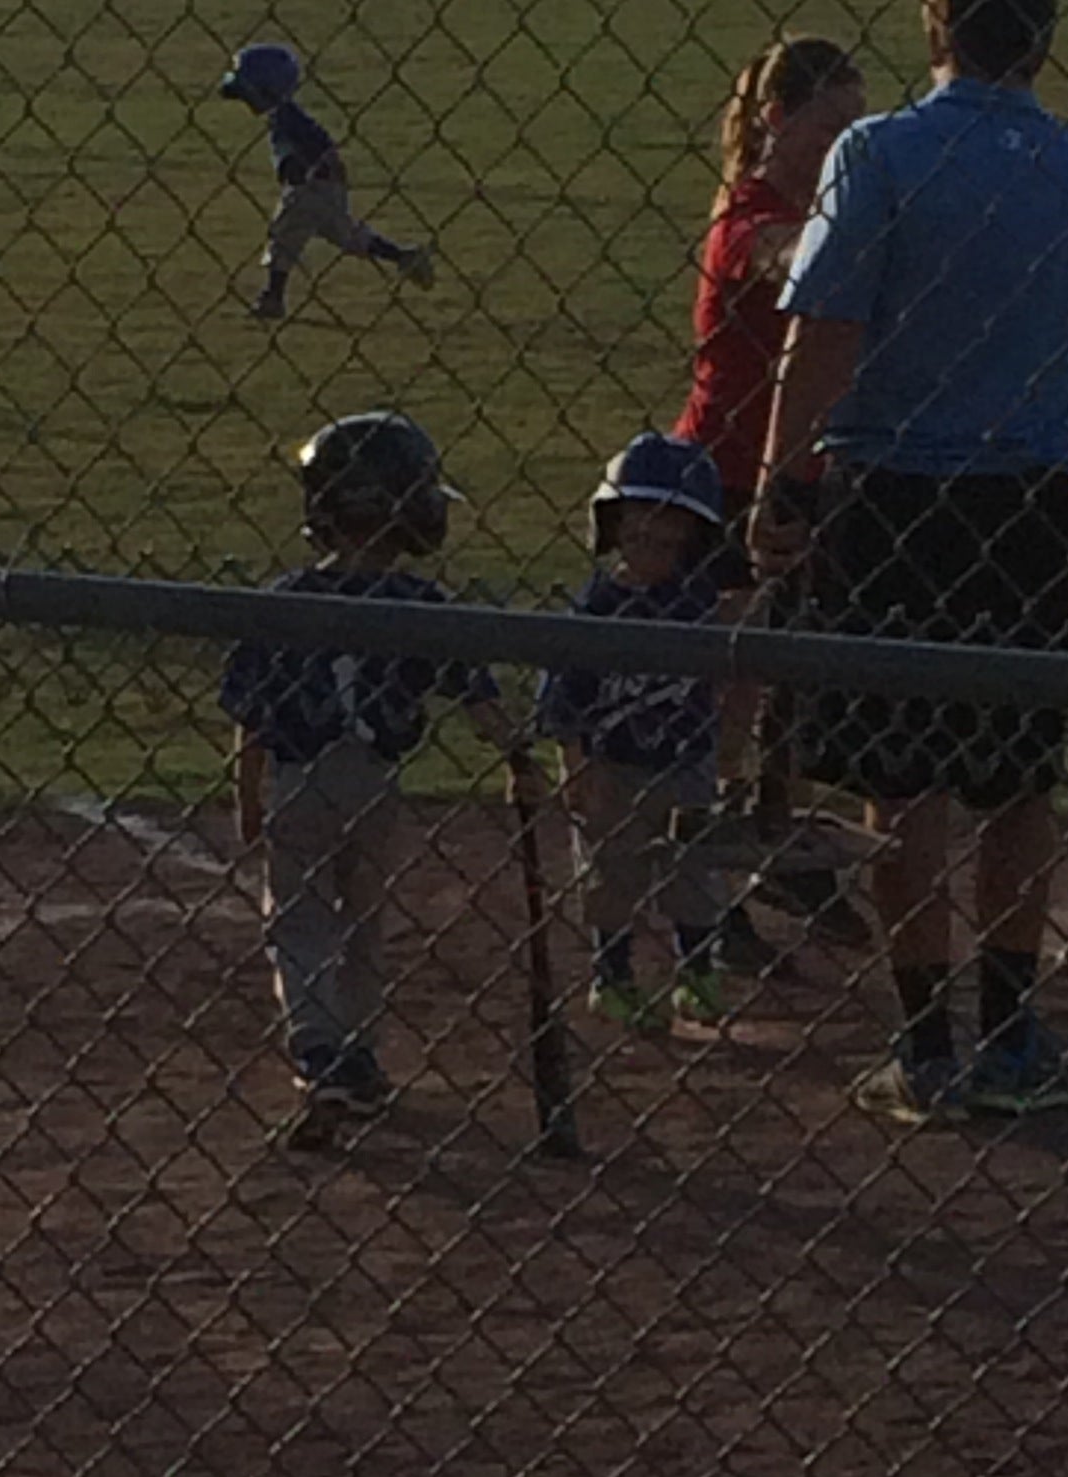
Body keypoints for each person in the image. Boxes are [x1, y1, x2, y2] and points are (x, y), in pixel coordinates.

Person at [750, 0, 1068, 1123]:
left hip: (893, 493)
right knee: (1017, 778)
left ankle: (925, 1046)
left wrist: (782, 485)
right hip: (1025, 495)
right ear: (1044, 38)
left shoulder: (879, 151)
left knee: (899, 777)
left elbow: (824, 328)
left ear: (937, 28)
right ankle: (1010, 1037)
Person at [221, 411, 532, 1141]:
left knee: (297, 918)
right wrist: (518, 754)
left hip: (299, 780)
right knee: (364, 921)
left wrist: (245, 794)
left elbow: (251, 718)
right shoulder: (420, 604)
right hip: (377, 786)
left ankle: (321, 1049)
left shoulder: (286, 598)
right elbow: (480, 701)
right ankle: (357, 1051)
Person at [673, 37, 871, 970]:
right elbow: (779, 259)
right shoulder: (750, 216)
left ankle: (770, 849)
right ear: (776, 122)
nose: (845, 143)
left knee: (783, 682)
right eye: (831, 124)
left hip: (801, 476)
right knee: (731, 689)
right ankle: (707, 900)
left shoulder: (820, 207)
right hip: (724, 479)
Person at [537, 432, 730, 1034]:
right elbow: (564, 697)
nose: (653, 538)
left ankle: (698, 974)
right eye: (640, 521)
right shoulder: (597, 605)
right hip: (613, 765)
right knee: (611, 877)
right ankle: (612, 978)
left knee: (696, 873)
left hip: (685, 762)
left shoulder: (698, 603)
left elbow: (728, 676)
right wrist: (574, 764)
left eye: (671, 526)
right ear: (614, 525)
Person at [220, 43, 434, 320]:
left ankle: (272, 298)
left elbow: (313, 149)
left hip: (309, 188)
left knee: (282, 238)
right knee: (346, 234)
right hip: (327, 187)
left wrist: (299, 170)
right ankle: (403, 256)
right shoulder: (288, 115)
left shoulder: (288, 119)